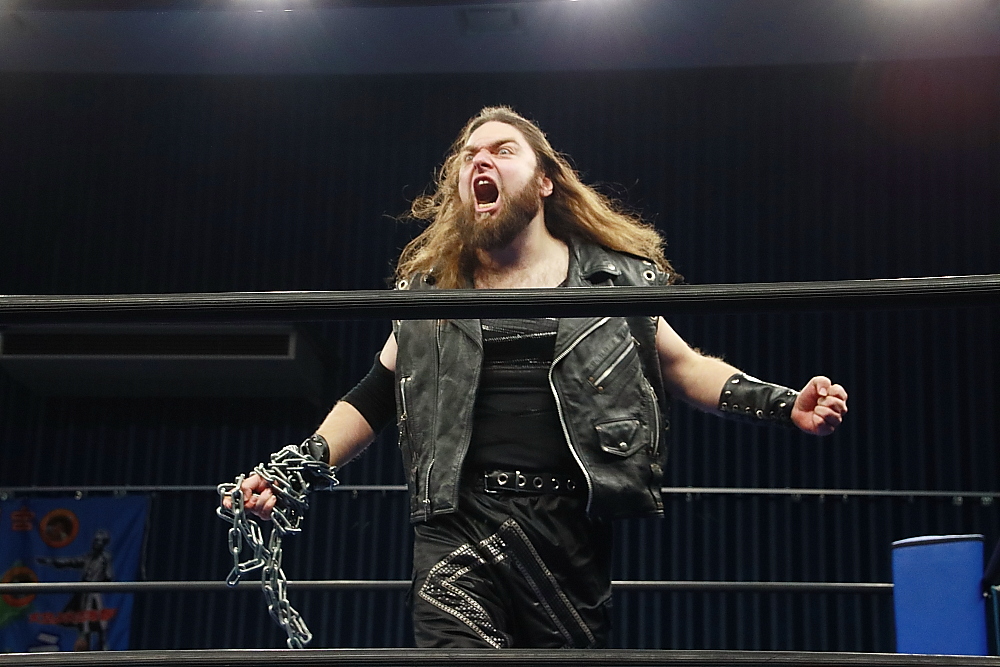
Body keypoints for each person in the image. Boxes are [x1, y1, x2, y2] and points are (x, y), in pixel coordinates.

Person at [228, 106, 848, 648]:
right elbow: (374, 394)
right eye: (469, 155)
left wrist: (783, 402)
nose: (480, 161)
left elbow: (686, 368)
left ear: (545, 181)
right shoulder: (433, 294)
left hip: (567, 529)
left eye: (502, 150)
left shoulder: (610, 283)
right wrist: (289, 470)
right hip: (458, 521)